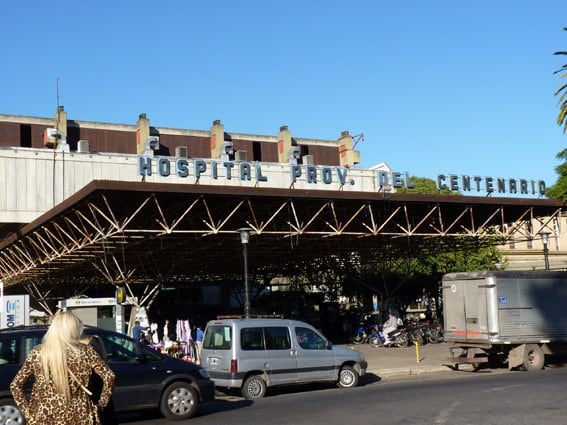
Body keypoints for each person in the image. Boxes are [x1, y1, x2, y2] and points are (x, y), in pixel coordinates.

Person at [10, 311, 115, 425]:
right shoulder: (85, 351)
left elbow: (15, 385)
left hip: (44, 417)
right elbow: (110, 376)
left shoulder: (39, 353)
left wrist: (28, 414)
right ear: (74, 329)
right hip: (81, 417)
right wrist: (100, 406)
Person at [80, 335, 118, 425]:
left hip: (95, 409)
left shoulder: (91, 372)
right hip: (105, 410)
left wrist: (101, 405)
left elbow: (110, 377)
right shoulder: (103, 368)